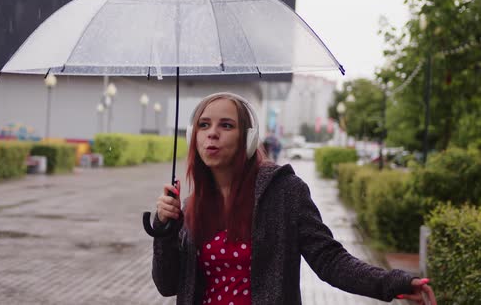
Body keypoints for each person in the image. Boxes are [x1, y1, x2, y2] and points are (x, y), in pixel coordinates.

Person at [151, 92, 436, 305]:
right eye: (203, 125)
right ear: (193, 136)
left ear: (248, 138)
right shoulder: (190, 207)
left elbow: (330, 259)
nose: (212, 133)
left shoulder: (284, 192)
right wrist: (165, 230)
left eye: (226, 125)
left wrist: (390, 282)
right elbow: (167, 285)